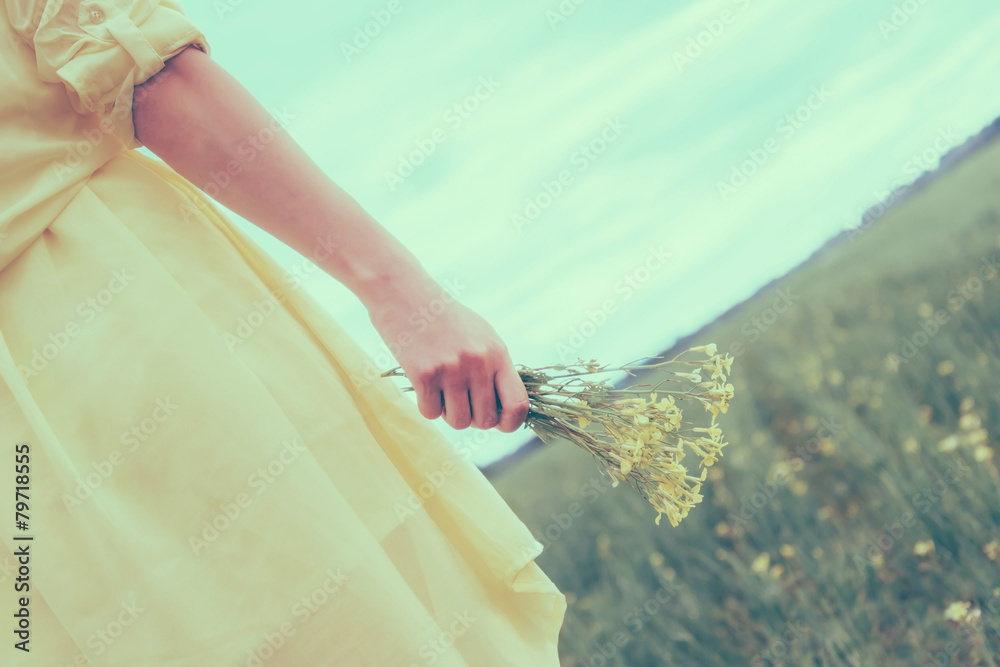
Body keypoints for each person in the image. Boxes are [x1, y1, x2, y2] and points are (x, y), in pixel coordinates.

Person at [0, 0, 567, 664]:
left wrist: (399, 293)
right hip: (125, 341)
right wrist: (400, 291)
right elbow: (149, 74)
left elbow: (145, 73)